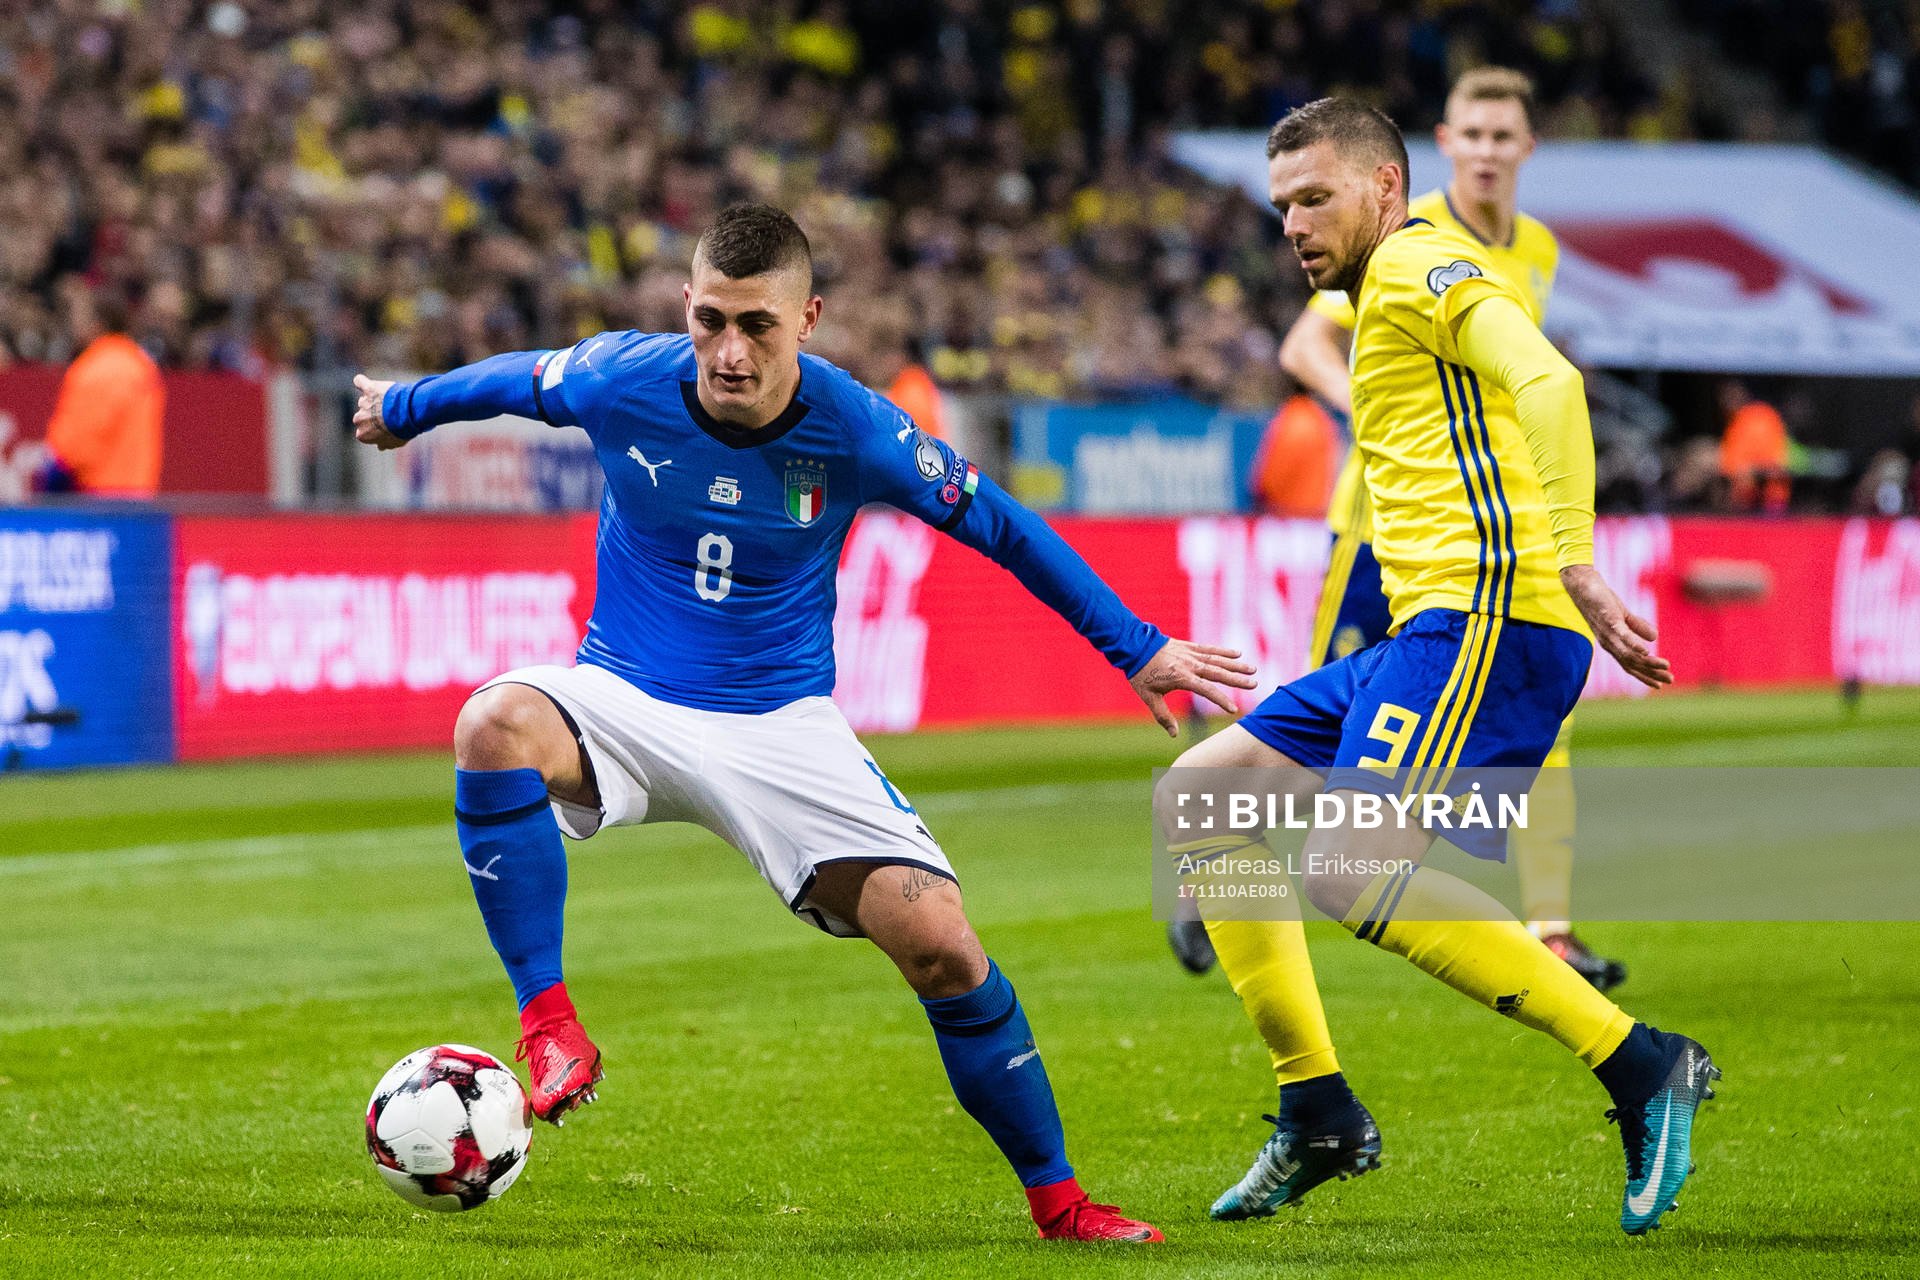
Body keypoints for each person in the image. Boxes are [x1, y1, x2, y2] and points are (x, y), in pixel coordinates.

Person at [351, 203, 1255, 1244]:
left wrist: (1133, 644)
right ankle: (548, 1022)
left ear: (809, 319)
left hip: (781, 725)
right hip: (626, 698)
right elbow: (518, 379)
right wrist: (403, 406)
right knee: (492, 724)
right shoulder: (620, 377)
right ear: (685, 308)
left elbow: (1000, 523)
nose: (730, 352)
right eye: (710, 321)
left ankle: (1062, 1204)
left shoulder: (856, 428)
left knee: (943, 945)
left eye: (758, 326)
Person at [1165, 99, 1715, 1236]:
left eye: (1315, 198)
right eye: (1281, 206)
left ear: (1384, 187)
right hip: (1428, 625)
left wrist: (1578, 561)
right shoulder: (1376, 294)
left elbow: (1550, 382)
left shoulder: (1421, 266)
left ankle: (1642, 1064)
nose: (1293, 225)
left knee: (1350, 868)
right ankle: (1317, 1108)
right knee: (1201, 796)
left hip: (1491, 617)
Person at [1244, 66, 1624, 989]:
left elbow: (1536, 380)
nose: (1486, 152)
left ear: (1526, 147)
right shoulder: (1396, 238)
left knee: (1528, 745)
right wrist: (1376, 414)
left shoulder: (1526, 249)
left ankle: (1554, 931)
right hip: (1377, 527)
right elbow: (1307, 344)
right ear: (1444, 146)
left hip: (1480, 551)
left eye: (1502, 136)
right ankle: (1232, 878)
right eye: (1472, 135)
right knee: (1311, 735)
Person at [33, 283, 164, 498]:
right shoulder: (142, 366)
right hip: (138, 499)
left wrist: (47, 488)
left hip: (95, 502)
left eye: (79, 315)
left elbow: (73, 448)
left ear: (98, 324)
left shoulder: (94, 368)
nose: (73, 323)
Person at [1717, 379, 1791, 512]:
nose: (1728, 401)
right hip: (1741, 501)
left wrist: (1753, 470)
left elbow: (1777, 464)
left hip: (1771, 502)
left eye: (1733, 395)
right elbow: (1729, 467)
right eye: (1725, 397)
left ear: (1743, 394)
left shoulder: (1763, 416)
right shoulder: (1733, 424)